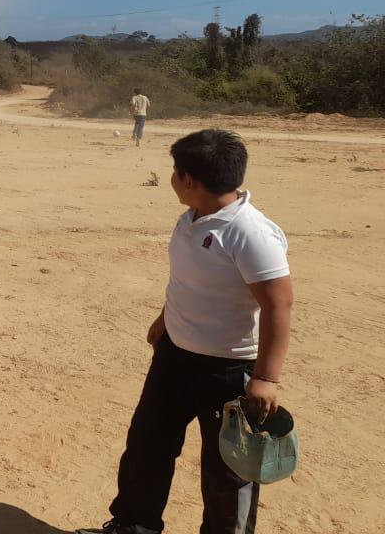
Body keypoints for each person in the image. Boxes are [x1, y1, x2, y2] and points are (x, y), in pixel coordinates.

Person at [77, 129, 294, 534]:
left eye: (176, 171)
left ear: (190, 179)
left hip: (228, 369)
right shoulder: (192, 217)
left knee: (229, 469)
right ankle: (133, 525)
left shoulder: (250, 233)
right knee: (147, 445)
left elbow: (278, 303)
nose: (172, 179)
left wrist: (265, 377)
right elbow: (189, 279)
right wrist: (166, 318)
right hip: (175, 355)